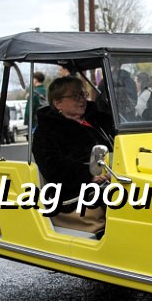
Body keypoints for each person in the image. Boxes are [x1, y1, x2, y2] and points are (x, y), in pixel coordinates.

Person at [32, 76, 115, 235]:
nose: (82, 100)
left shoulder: (98, 119)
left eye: (83, 94)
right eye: (75, 96)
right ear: (58, 103)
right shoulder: (47, 131)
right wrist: (88, 175)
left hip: (115, 175)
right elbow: (53, 167)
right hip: (75, 190)